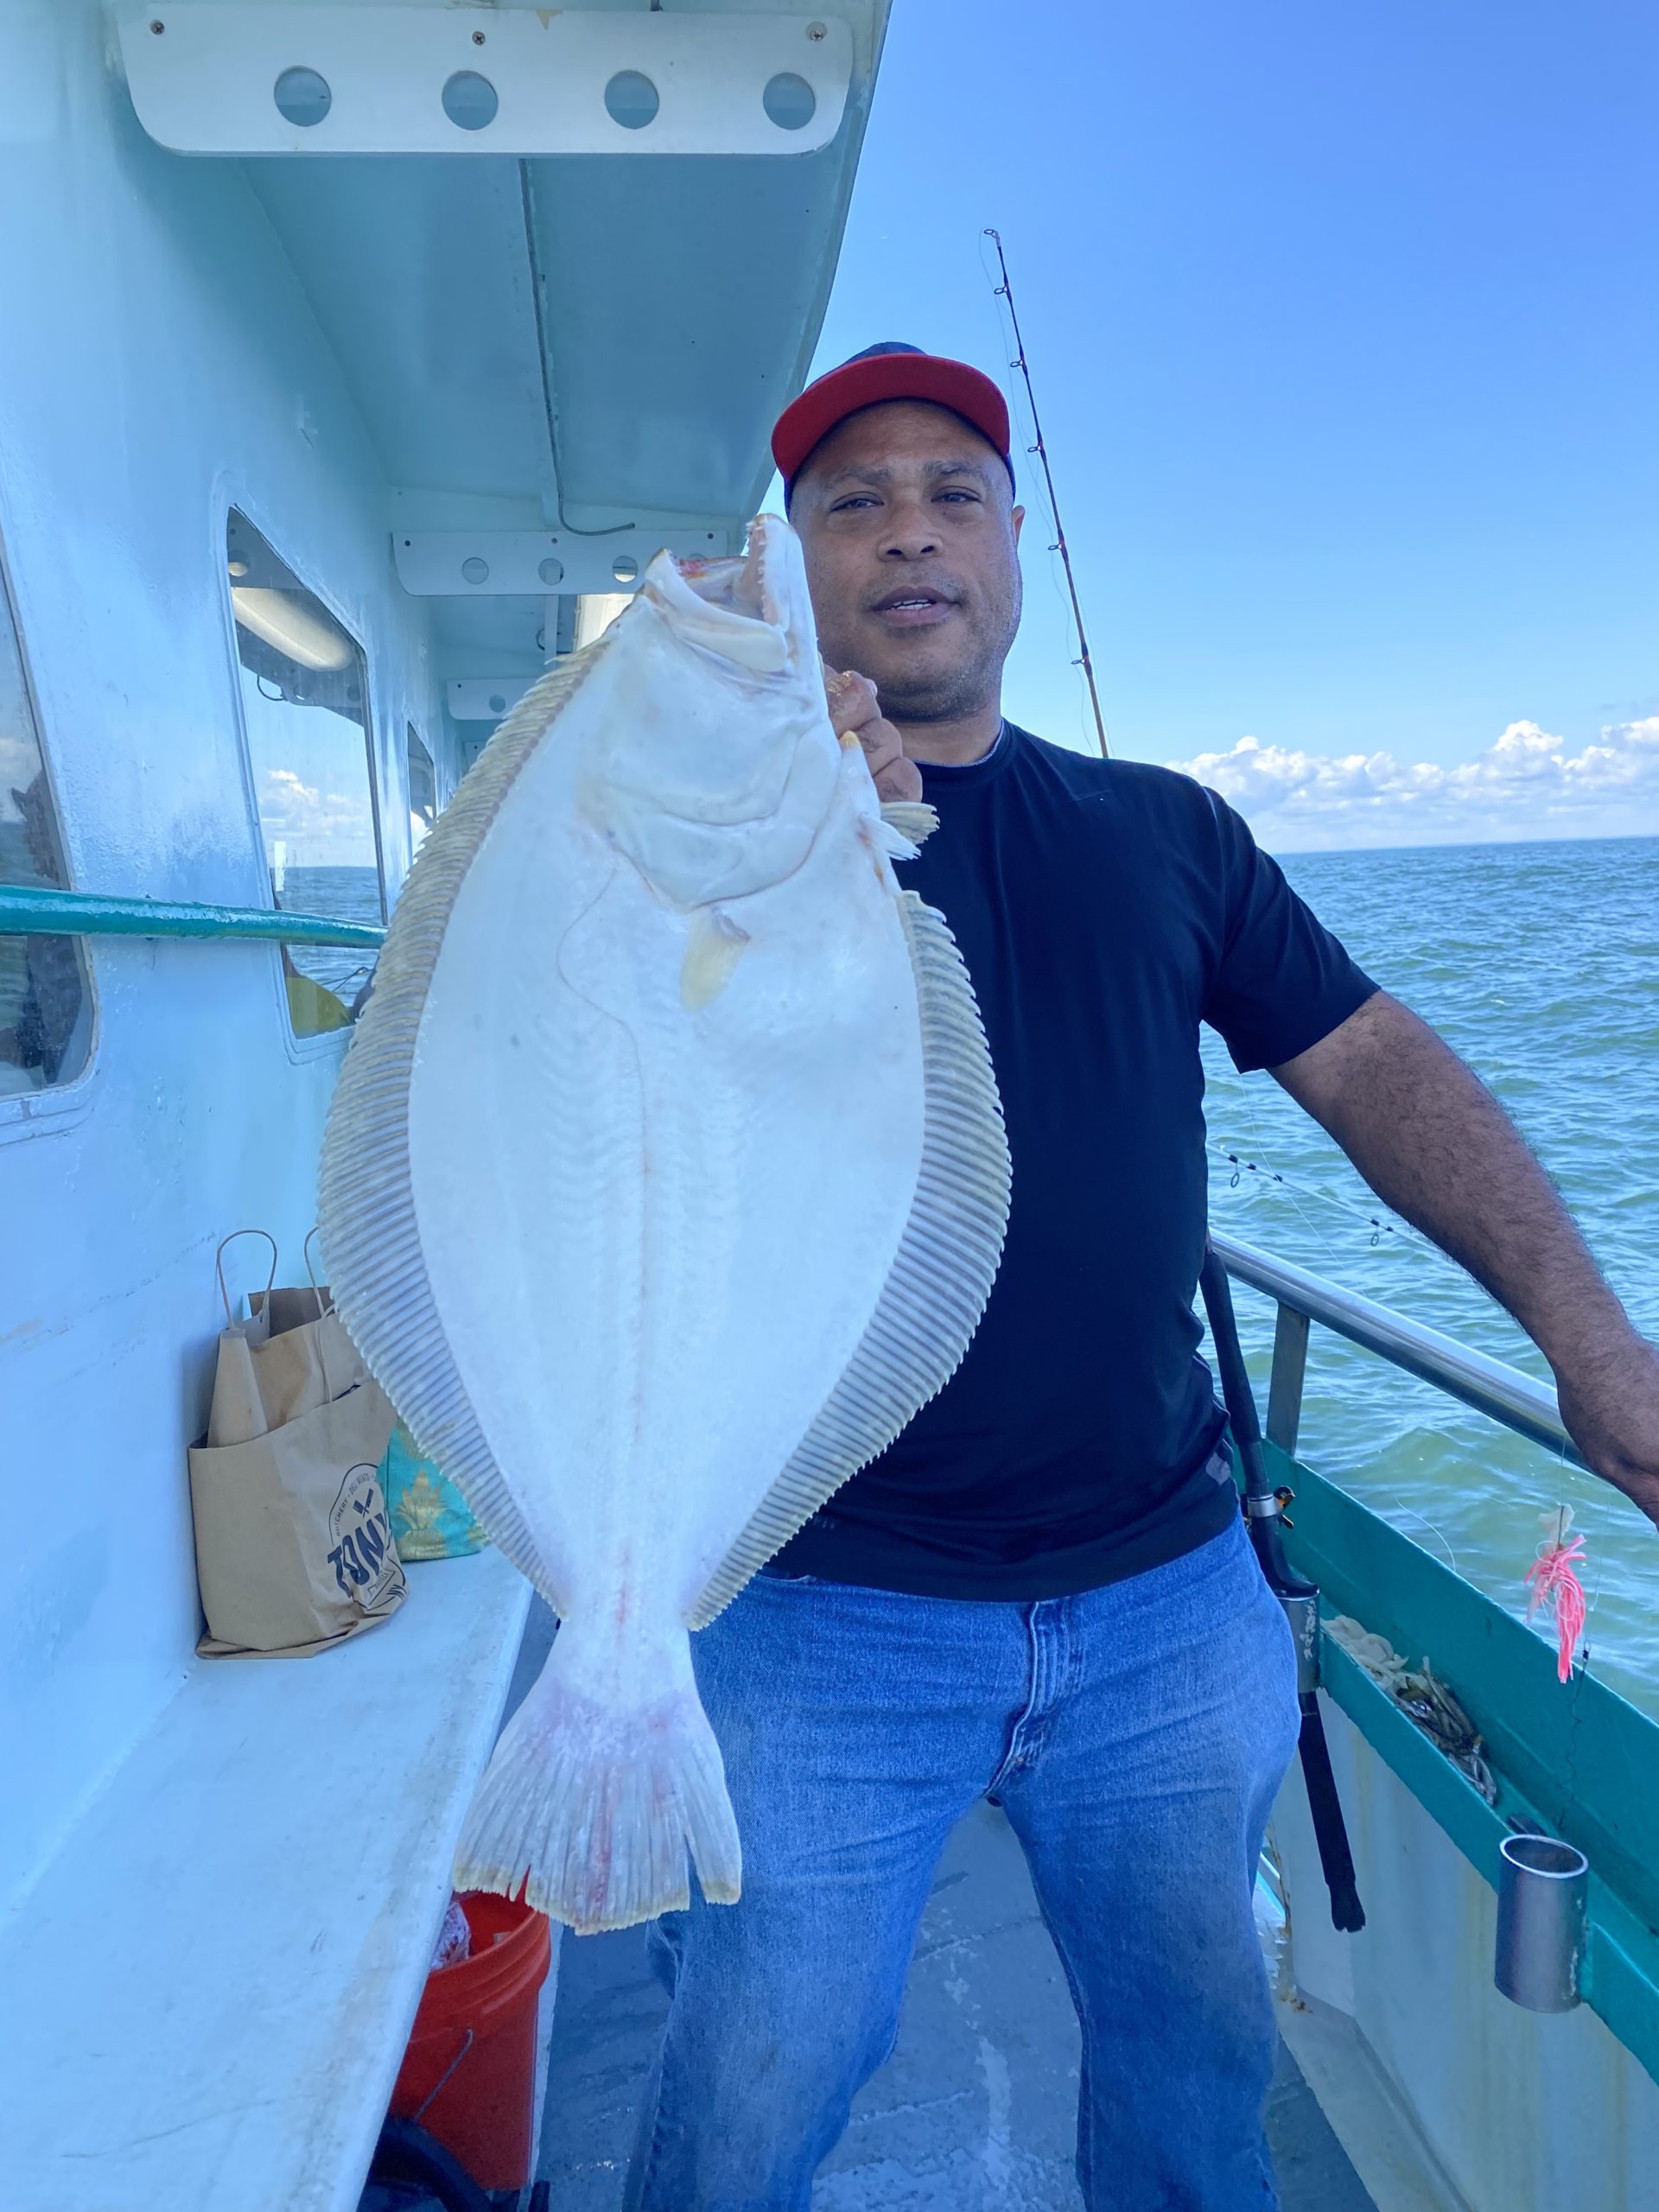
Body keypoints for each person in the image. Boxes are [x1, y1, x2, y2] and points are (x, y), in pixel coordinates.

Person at [624, 345, 1659, 2211]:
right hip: (814, 1597)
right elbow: (593, 1063)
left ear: (1020, 544)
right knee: (750, 2076)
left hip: (1171, 1605)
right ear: (793, 565)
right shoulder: (712, 833)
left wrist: (1589, 1336)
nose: (909, 533)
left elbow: (1379, 1069)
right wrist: (767, 800)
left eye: (953, 490)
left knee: (1200, 2059)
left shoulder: (1169, 830)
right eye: (851, 502)